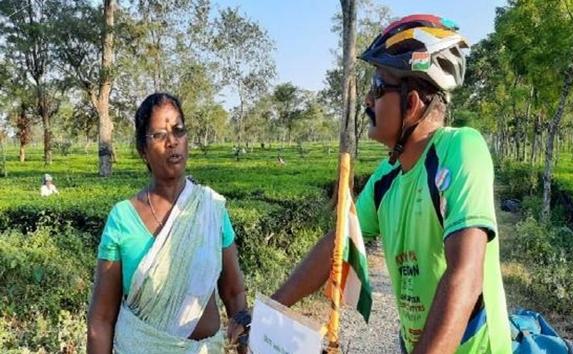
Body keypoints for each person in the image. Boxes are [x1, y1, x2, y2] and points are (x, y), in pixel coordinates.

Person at [272, 15, 511, 353]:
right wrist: (271, 310)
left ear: (411, 103)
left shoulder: (461, 149)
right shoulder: (386, 177)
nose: (368, 101)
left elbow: (465, 276)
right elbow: (336, 246)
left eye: (378, 88)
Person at [87, 93, 249, 354]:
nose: (172, 141)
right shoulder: (122, 218)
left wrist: (245, 343)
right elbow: (101, 319)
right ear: (143, 149)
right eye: (159, 135)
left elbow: (233, 293)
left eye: (178, 131)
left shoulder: (210, 210)